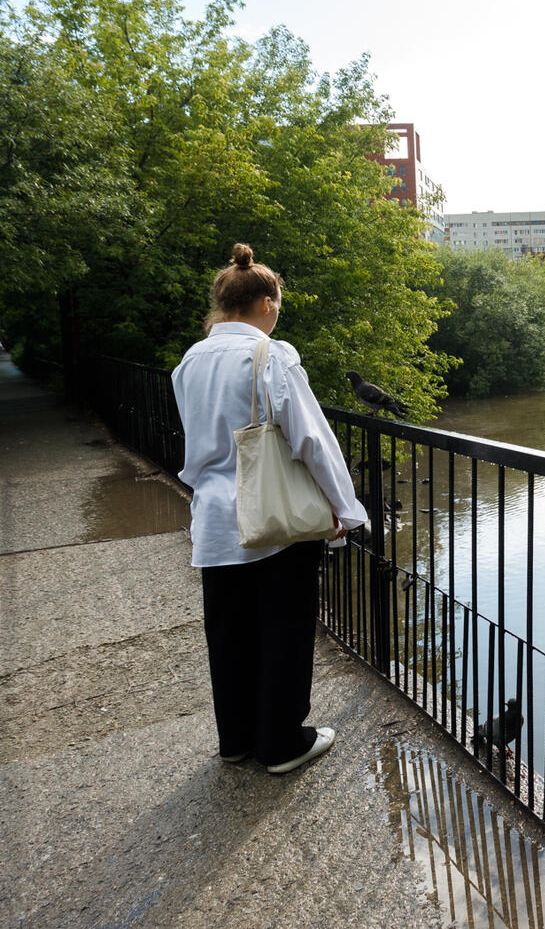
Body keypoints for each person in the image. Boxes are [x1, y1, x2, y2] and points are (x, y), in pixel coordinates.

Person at [171, 243, 368, 774]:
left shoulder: (190, 361)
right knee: (284, 626)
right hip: (273, 518)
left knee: (229, 631)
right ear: (263, 302)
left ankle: (236, 738)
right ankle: (281, 743)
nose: (278, 311)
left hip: (213, 519)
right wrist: (348, 512)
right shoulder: (270, 356)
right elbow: (313, 441)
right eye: (277, 302)